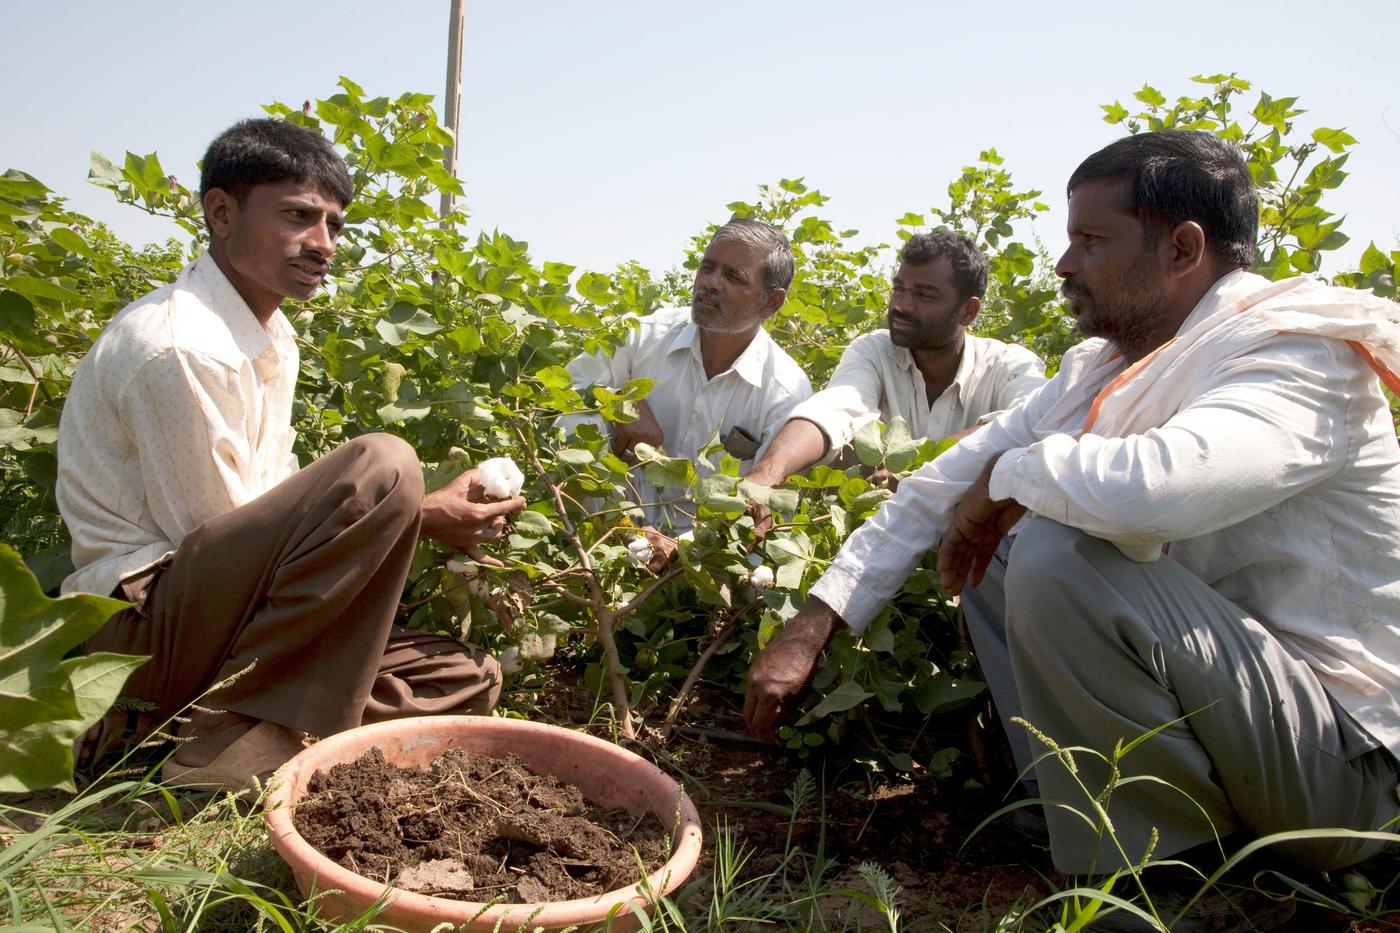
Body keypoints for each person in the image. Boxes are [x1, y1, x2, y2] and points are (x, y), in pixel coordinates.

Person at [743, 130, 1400, 876]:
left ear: (1182, 249)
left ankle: (1153, 876)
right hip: (1246, 734)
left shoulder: (1296, 352)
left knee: (1057, 545)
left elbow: (1154, 493)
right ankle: (1079, 810)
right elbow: (937, 488)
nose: (1064, 263)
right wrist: (812, 623)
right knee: (1004, 556)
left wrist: (1004, 479)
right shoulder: (1105, 368)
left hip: (1345, 768)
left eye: (1090, 239)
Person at [59, 118, 526, 792]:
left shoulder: (269, 334)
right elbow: (225, 545)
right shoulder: (180, 345)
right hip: (143, 626)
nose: (324, 244)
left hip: (221, 619)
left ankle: (245, 732)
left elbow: (266, 530)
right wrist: (415, 514)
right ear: (222, 212)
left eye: (334, 224)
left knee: (466, 674)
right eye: (300, 216)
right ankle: (187, 735)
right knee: (385, 466)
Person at [565, 219, 811, 540]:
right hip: (600, 539)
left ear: (771, 302)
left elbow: (763, 514)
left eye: (733, 276)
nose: (710, 282)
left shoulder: (787, 391)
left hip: (703, 569)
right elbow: (559, 402)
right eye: (707, 268)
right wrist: (616, 402)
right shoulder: (638, 336)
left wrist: (682, 549)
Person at [745, 230, 1044, 488]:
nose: (901, 305)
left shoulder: (1009, 366)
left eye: (925, 296)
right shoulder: (874, 351)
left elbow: (1028, 424)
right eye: (899, 289)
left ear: (969, 310)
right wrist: (767, 474)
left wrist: (918, 470)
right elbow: (835, 408)